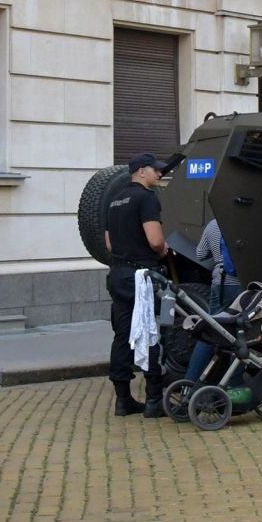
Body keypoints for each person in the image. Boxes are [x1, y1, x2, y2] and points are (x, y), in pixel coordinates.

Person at [103, 153, 170, 418]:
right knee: (148, 332)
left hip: (118, 275)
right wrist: (164, 250)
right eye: (156, 170)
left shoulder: (114, 200)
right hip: (142, 276)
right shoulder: (146, 198)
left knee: (122, 335)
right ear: (141, 171)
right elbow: (155, 240)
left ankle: (123, 400)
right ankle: (154, 400)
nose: (160, 174)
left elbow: (109, 244)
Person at [183, 218, 240, 386]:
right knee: (240, 335)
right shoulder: (242, 220)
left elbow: (200, 254)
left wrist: (217, 254)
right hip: (241, 285)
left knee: (210, 332)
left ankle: (190, 382)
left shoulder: (213, 225)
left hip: (219, 285)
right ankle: (234, 385)